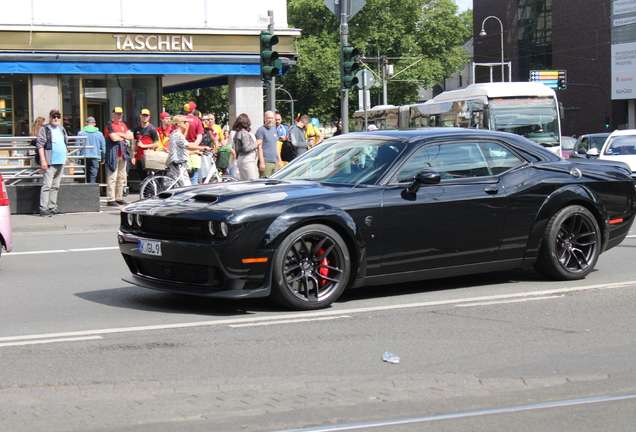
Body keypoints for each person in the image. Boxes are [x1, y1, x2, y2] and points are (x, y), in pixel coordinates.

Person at [35, 109, 68, 217]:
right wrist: (43, 160)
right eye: (54, 117)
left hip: (60, 161)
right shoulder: (44, 129)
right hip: (50, 162)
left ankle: (52, 207)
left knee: (55, 186)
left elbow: (65, 143)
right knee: (47, 186)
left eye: (58, 117)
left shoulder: (61, 129)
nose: (56, 119)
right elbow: (39, 145)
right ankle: (44, 208)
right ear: (50, 117)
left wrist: (65, 156)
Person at [104, 106, 133, 207]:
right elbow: (113, 138)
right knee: (113, 176)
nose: (119, 116)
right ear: (113, 115)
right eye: (117, 114)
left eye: (120, 114)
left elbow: (131, 136)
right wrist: (124, 135)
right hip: (114, 153)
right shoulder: (109, 125)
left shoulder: (123, 125)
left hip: (123, 153)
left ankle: (119, 197)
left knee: (122, 177)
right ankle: (111, 198)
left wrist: (120, 134)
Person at [131, 108, 160, 182]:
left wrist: (144, 146)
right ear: (140, 116)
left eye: (147, 116)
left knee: (150, 178)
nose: (145, 117)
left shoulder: (152, 129)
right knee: (142, 178)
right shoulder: (136, 129)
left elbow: (157, 144)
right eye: (144, 115)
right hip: (139, 157)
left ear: (149, 117)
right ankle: (145, 193)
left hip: (149, 157)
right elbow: (134, 143)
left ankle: (151, 192)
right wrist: (133, 156)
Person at [77, 116, 106, 184]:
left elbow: (77, 147)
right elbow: (103, 147)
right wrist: (103, 158)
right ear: (94, 124)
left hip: (84, 156)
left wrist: (77, 159)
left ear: (86, 123)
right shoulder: (99, 134)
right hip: (95, 157)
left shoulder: (80, 133)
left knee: (86, 175)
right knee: (93, 175)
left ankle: (86, 190)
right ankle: (92, 189)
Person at [233, 113, 261, 180]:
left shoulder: (237, 133)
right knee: (252, 182)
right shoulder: (244, 133)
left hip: (241, 158)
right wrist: (256, 143)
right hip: (247, 159)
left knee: (244, 183)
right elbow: (246, 148)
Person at [167, 115, 192, 187]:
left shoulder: (173, 134)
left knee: (177, 186)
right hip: (179, 164)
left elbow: (180, 150)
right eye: (184, 122)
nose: (186, 123)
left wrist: (197, 152)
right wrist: (203, 148)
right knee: (187, 187)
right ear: (178, 123)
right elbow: (188, 146)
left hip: (175, 162)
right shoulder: (178, 135)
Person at [182, 101, 204, 183]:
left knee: (183, 177)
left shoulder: (180, 120)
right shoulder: (197, 120)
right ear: (193, 110)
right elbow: (199, 137)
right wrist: (193, 148)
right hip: (194, 148)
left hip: (182, 147)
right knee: (194, 177)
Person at [256, 110, 283, 177]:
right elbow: (259, 147)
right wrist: (262, 162)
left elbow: (276, 146)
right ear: (264, 118)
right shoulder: (261, 130)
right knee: (265, 183)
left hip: (274, 161)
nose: (270, 120)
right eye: (268, 118)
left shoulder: (274, 130)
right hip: (266, 162)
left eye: (272, 118)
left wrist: (279, 160)